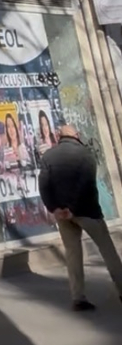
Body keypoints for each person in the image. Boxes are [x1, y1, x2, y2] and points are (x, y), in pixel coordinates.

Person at [38, 123, 122, 311]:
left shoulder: (48, 156)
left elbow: (43, 185)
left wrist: (55, 209)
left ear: (59, 136)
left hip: (62, 214)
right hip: (87, 212)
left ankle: (78, 297)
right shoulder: (85, 154)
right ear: (76, 135)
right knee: (108, 251)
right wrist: (73, 208)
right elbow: (86, 185)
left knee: (73, 254)